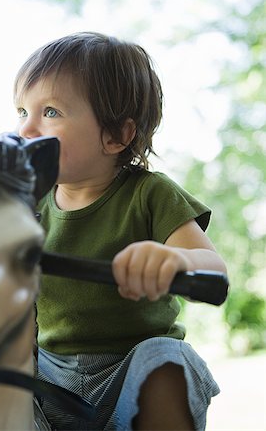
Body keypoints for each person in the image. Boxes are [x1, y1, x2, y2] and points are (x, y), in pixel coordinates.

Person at [14, 31, 227, 431]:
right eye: (22, 112)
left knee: (169, 363)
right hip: (49, 381)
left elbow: (215, 269)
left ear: (116, 135)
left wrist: (174, 259)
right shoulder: (24, 206)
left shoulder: (150, 193)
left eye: (51, 112)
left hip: (130, 375)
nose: (27, 130)